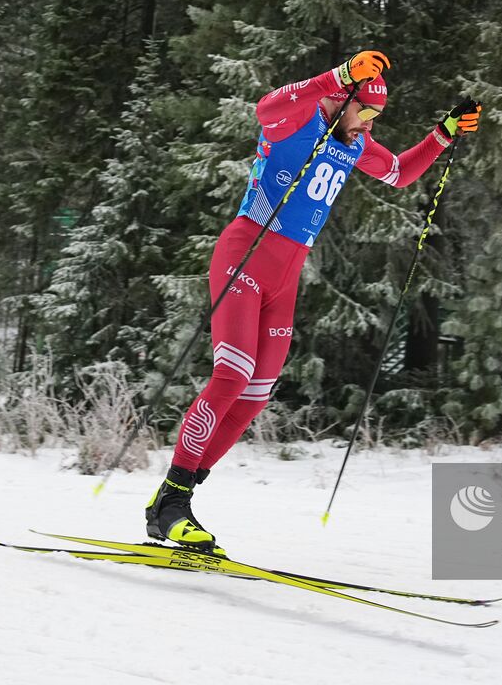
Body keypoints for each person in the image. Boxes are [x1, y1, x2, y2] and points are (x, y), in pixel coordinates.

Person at [145, 49, 481, 551]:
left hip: (285, 277)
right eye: (362, 110)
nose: (368, 123)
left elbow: (399, 173)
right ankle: (171, 502)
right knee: (230, 375)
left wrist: (442, 134)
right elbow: (265, 107)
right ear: (339, 99)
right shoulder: (295, 124)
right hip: (245, 253)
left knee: (254, 396)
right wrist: (338, 74)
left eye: (375, 117)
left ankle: (175, 501)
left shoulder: (354, 142)